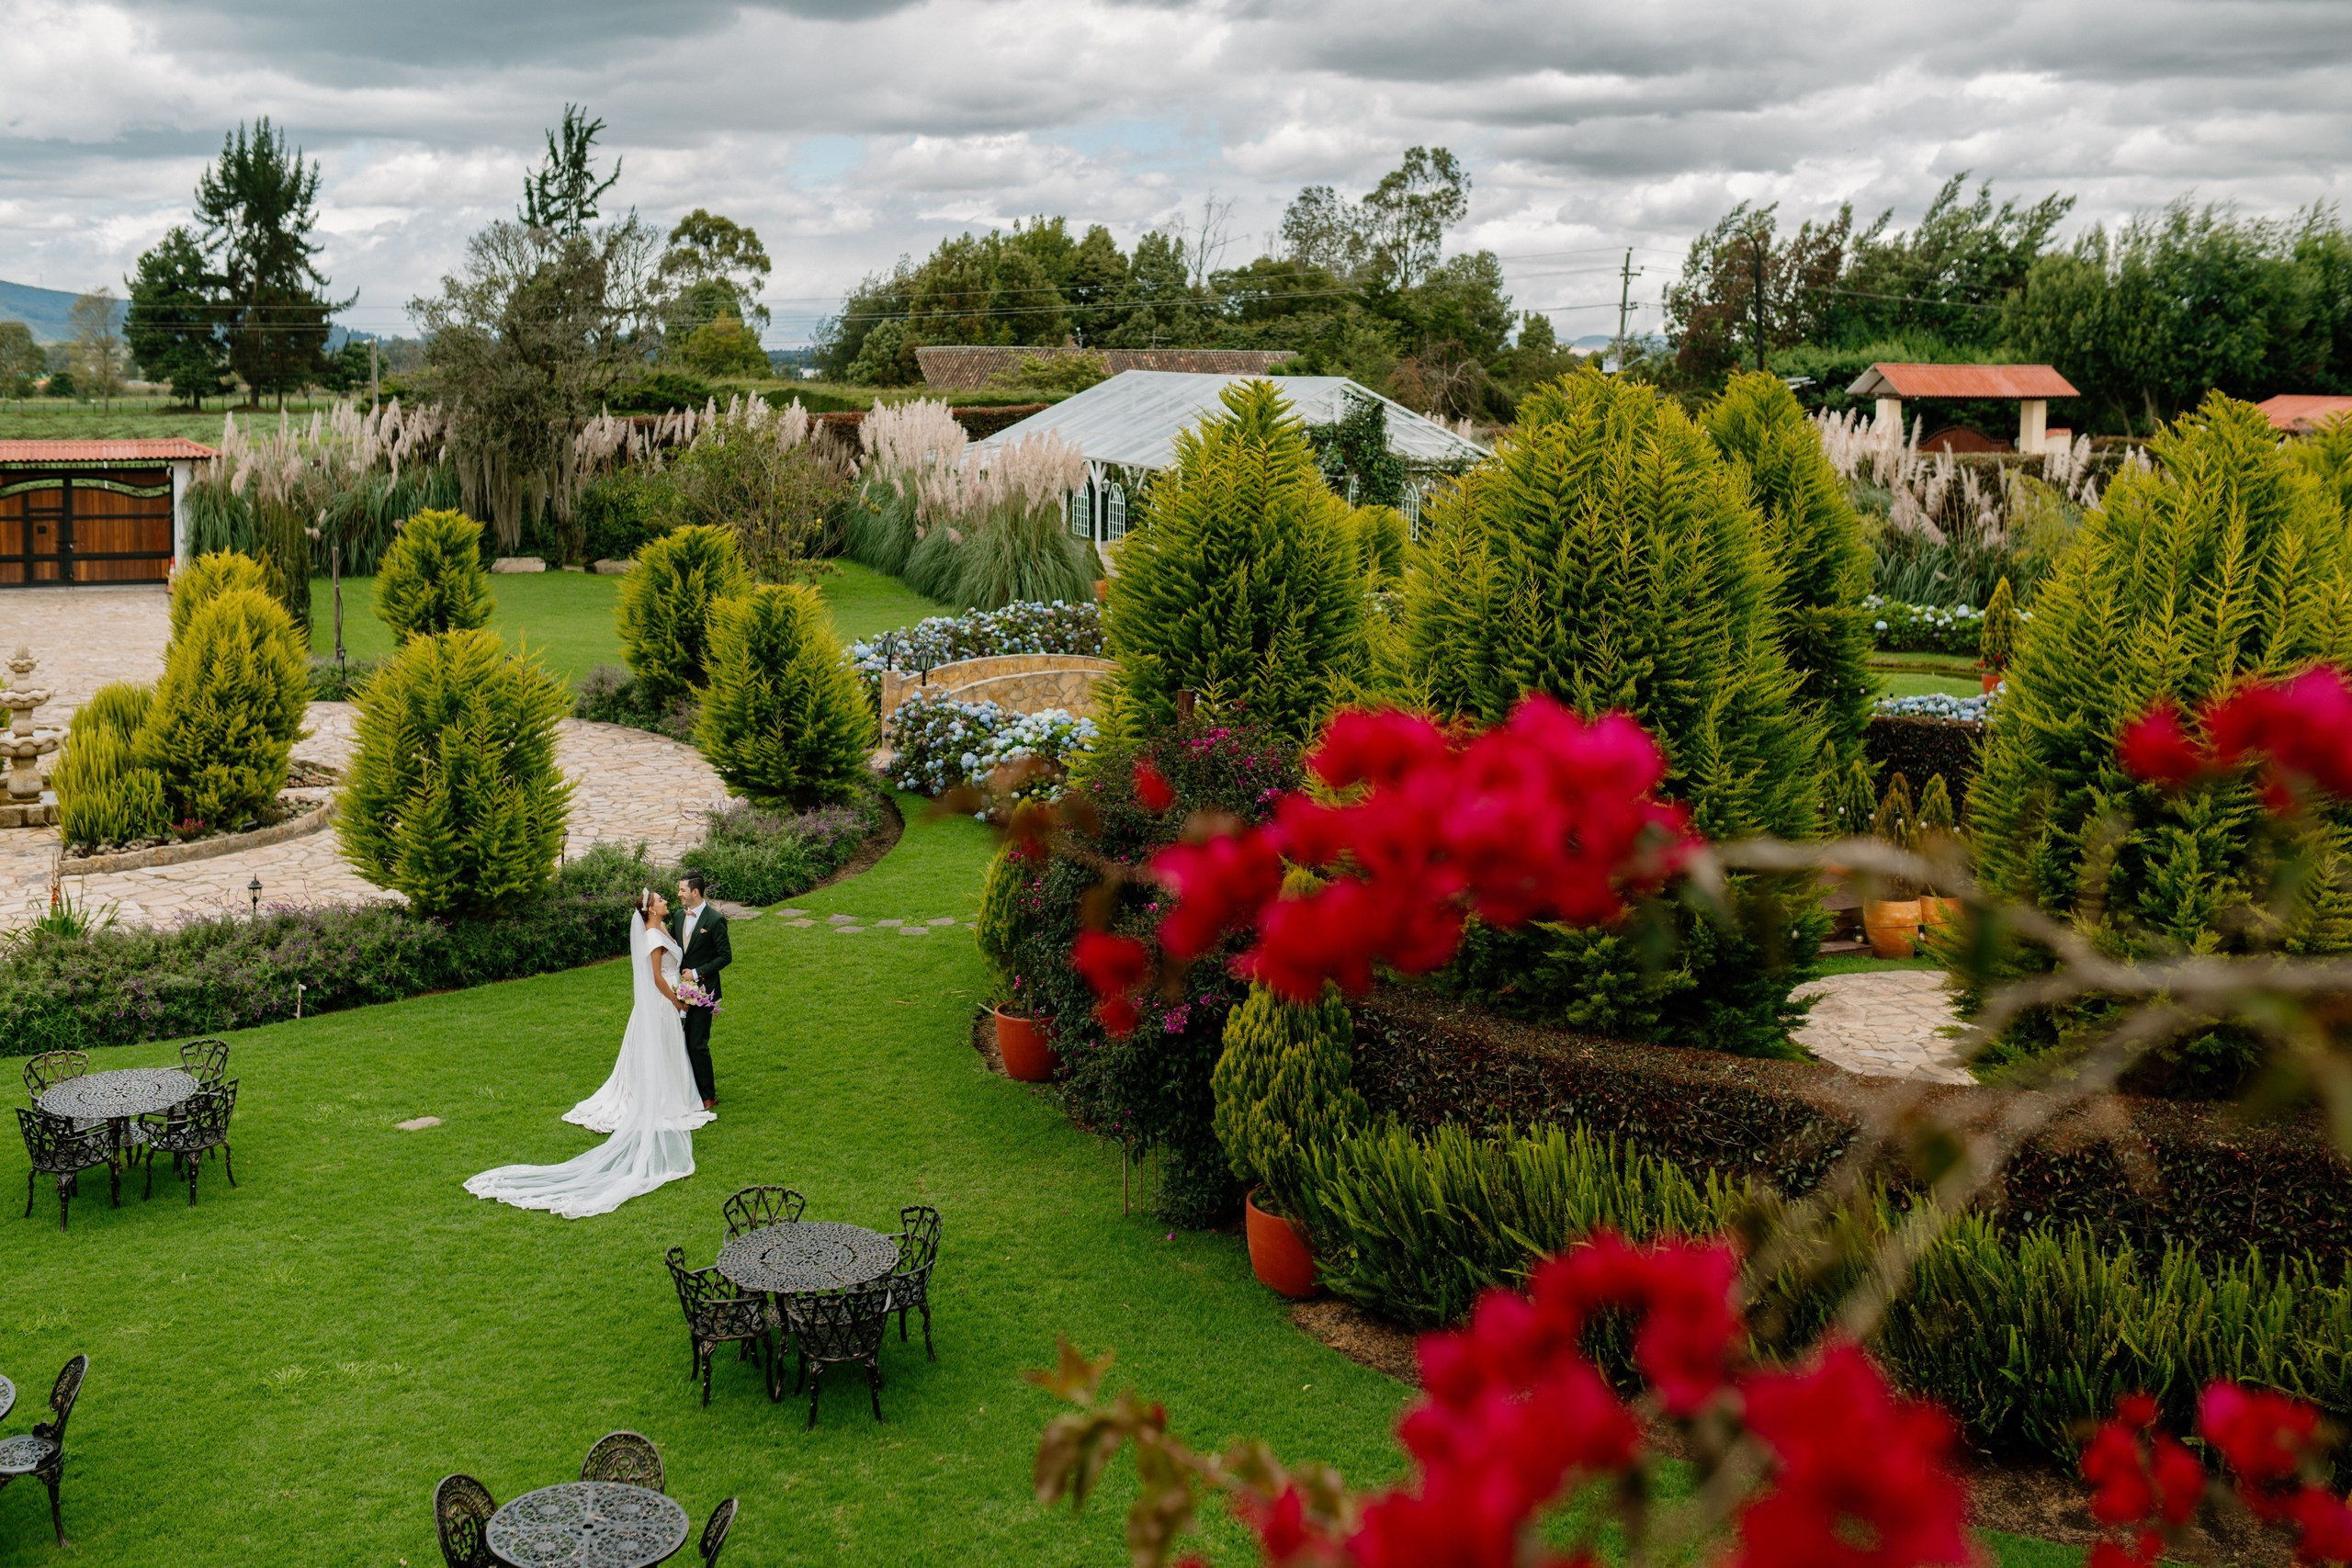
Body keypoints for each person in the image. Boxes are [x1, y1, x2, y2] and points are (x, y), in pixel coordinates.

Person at [463, 889, 715, 1219]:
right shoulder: (653, 935)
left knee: (669, 1050)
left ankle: (675, 1093)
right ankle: (664, 1097)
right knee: (663, 1049)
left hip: (669, 1001)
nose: (668, 901)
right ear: (651, 909)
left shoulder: (662, 928)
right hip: (661, 1004)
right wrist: (676, 1000)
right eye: (661, 900)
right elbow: (655, 977)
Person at [671, 871, 730, 1111]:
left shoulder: (715, 920)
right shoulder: (677, 916)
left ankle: (708, 1095)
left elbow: (725, 956)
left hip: (704, 992)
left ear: (695, 892)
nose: (679, 894)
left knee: (697, 1042)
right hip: (679, 990)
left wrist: (696, 973)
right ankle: (687, 1089)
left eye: (682, 890)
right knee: (679, 1040)